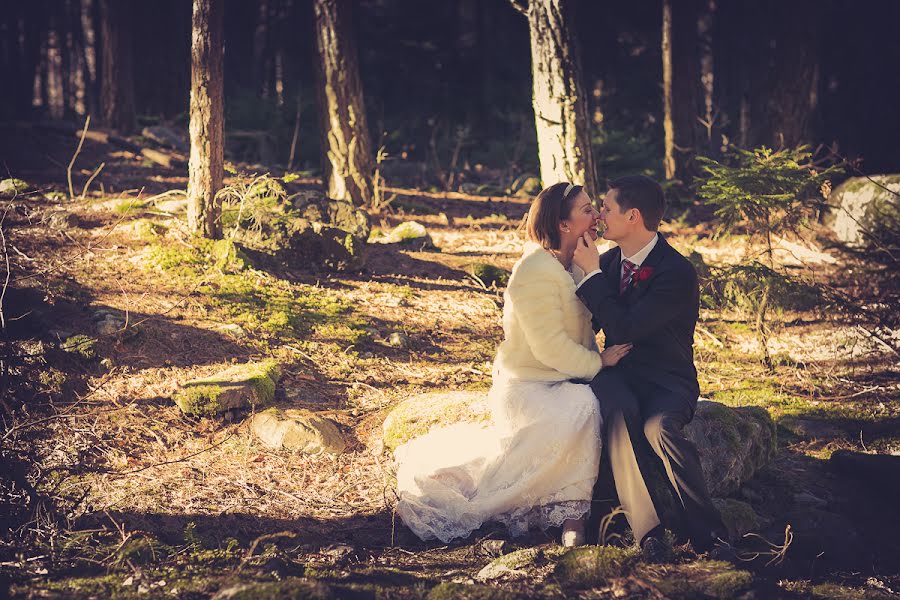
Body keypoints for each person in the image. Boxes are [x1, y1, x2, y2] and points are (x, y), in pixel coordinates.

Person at [394, 182, 631, 545]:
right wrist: (598, 362)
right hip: (528, 384)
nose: (597, 215)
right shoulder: (534, 270)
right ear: (563, 225)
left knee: (586, 402)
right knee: (584, 406)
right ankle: (572, 518)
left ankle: (571, 510)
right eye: (587, 210)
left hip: (565, 378)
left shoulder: (580, 263)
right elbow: (549, 346)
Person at [572, 175, 728, 561]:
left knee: (659, 428)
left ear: (633, 216)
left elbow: (626, 327)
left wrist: (590, 276)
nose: (599, 215)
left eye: (606, 208)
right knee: (619, 414)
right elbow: (585, 325)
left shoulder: (675, 271)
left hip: (667, 378)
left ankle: (710, 533)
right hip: (617, 373)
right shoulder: (607, 263)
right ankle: (650, 533)